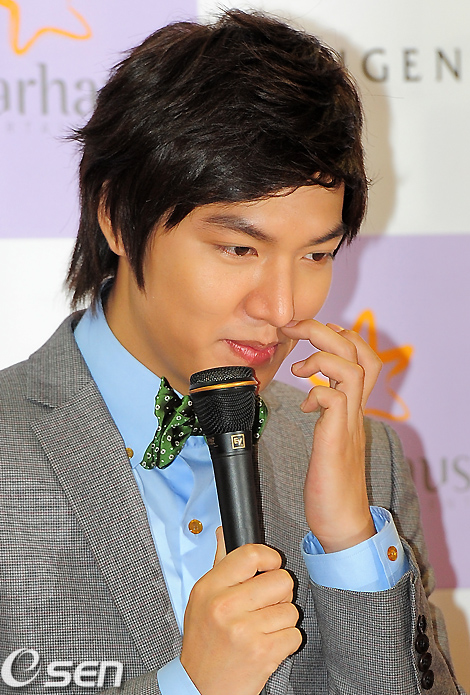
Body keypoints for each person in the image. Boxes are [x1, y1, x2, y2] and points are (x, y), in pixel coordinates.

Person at [0, 9, 464, 695]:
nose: (281, 307)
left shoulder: (364, 463)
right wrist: (192, 685)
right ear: (116, 217)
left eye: (316, 255)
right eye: (240, 248)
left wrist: (349, 548)